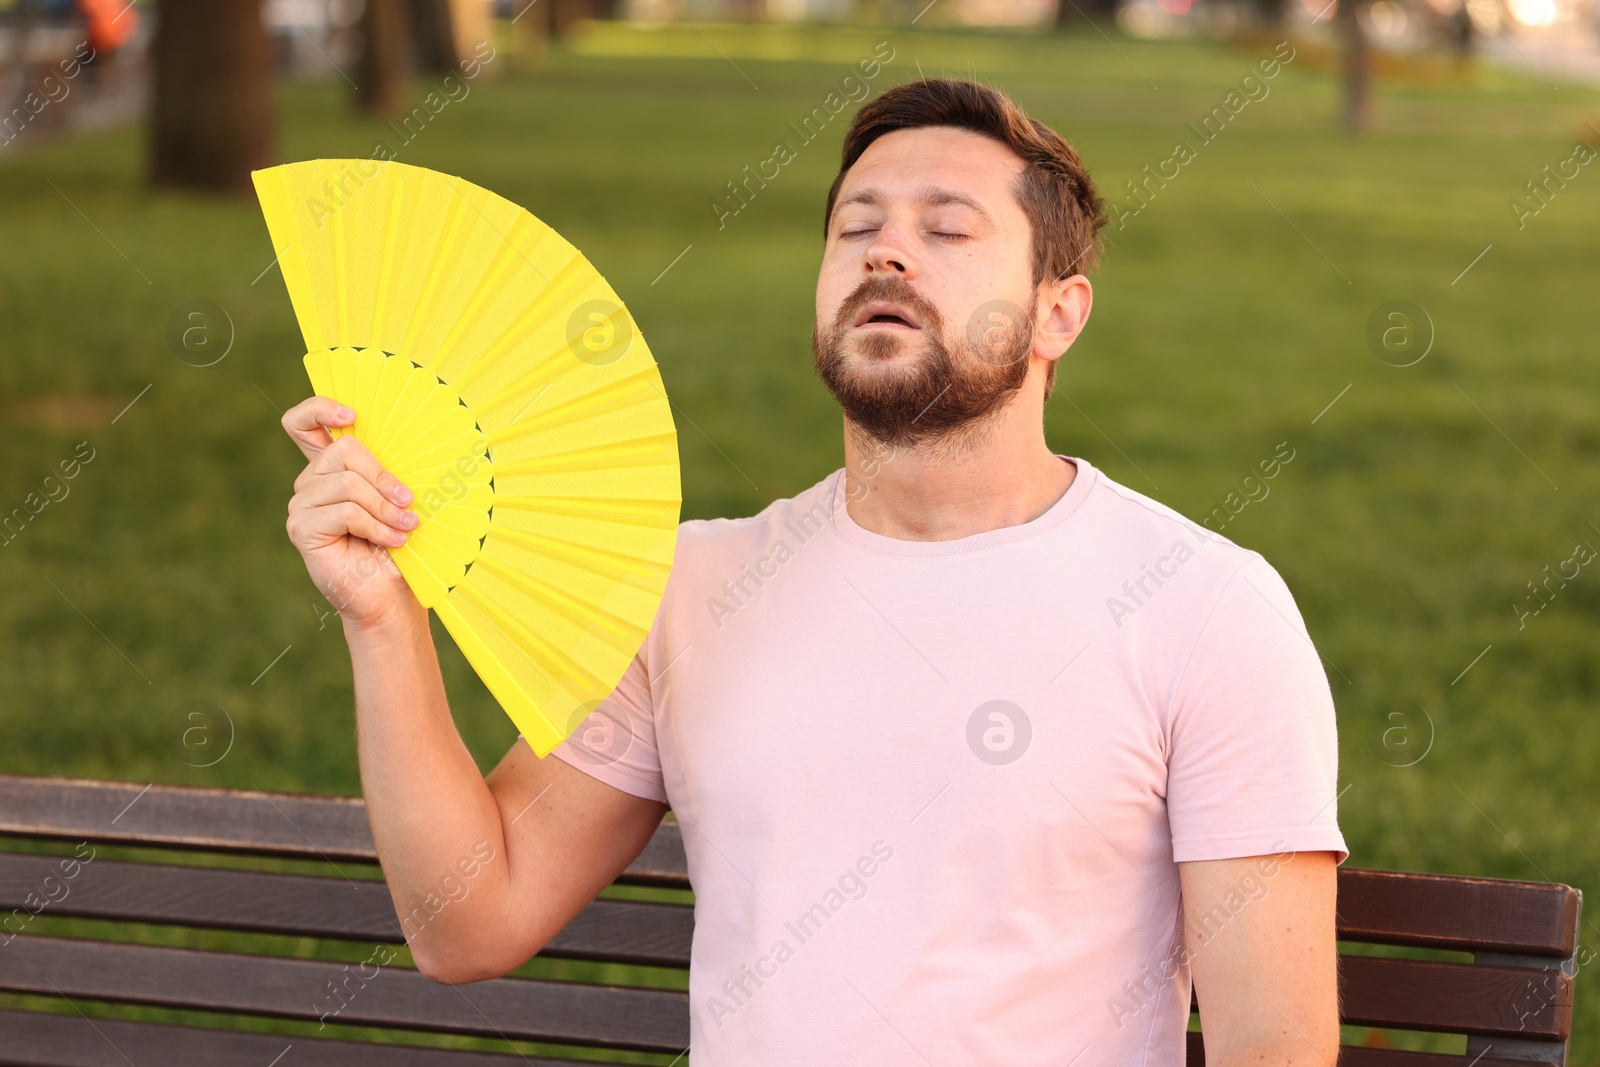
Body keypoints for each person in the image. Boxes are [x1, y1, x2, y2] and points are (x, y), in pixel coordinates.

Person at [279, 77, 1346, 1066]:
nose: (887, 254)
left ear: (1056, 312)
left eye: (945, 228)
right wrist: (384, 617)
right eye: (857, 228)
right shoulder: (691, 584)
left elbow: (1278, 1047)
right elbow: (470, 920)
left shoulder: (1202, 607)